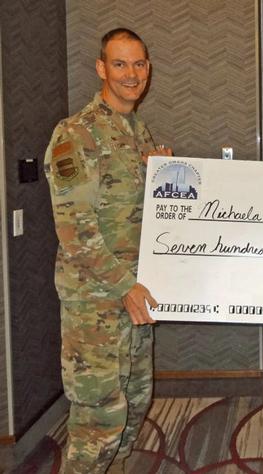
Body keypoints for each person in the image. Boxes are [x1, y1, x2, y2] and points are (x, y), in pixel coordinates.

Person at [44, 28, 172, 474]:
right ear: (101, 68)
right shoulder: (76, 134)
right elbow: (74, 230)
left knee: (136, 404)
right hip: (96, 303)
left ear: (148, 69)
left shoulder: (139, 133)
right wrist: (124, 286)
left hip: (136, 296)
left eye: (139, 64)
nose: (131, 74)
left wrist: (166, 177)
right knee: (100, 420)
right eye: (119, 64)